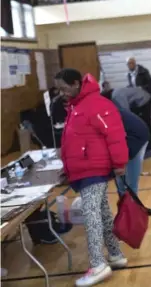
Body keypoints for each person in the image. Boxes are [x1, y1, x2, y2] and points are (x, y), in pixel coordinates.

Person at [55, 68, 129, 287]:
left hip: (93, 169)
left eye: (64, 88)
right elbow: (74, 141)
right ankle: (115, 255)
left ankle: (98, 265)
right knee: (103, 213)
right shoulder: (76, 106)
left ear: (77, 83)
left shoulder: (96, 104)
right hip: (86, 168)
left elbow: (115, 135)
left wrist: (119, 163)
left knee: (91, 215)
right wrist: (66, 167)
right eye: (58, 90)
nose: (61, 93)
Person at [111, 98, 150, 197]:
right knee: (122, 183)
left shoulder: (105, 113)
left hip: (136, 138)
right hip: (133, 135)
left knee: (129, 184)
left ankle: (132, 210)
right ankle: (126, 209)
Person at [126, 57, 151, 157]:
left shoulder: (143, 71)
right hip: (137, 100)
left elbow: (150, 83)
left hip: (146, 99)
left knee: (147, 121)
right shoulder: (129, 75)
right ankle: (144, 145)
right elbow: (132, 85)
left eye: (131, 63)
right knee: (140, 122)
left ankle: (150, 145)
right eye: (128, 64)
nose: (130, 66)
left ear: (134, 63)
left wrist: (140, 88)